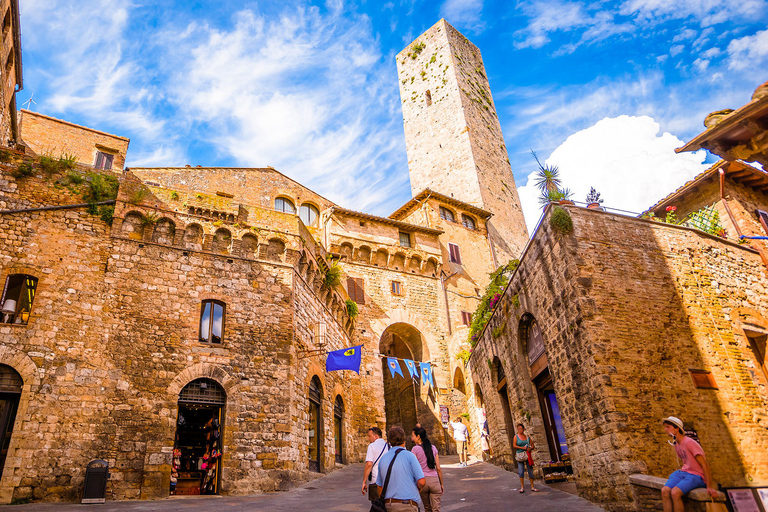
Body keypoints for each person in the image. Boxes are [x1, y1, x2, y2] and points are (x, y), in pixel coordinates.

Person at [661, 416, 718, 512]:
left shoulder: (690, 443)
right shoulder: (676, 444)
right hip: (684, 473)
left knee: (675, 493)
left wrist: (709, 486)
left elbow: (705, 464)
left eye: (668, 427)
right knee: (665, 491)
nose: (665, 430)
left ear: (677, 428)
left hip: (696, 476)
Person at [376, 426, 426, 512]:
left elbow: (379, 487)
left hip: (389, 505)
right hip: (407, 505)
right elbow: (421, 481)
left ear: (389, 441)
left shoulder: (383, 459)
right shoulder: (410, 456)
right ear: (404, 440)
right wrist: (417, 488)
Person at [411, 427, 443, 512]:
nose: (411, 438)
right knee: (436, 509)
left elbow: (413, 468)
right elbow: (438, 468)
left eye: (413, 435)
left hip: (423, 481)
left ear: (418, 437)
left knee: (427, 508)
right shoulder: (433, 448)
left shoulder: (415, 449)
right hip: (434, 481)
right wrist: (441, 484)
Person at [362, 426, 390, 501]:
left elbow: (369, 464)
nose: (368, 438)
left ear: (376, 436)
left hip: (376, 481)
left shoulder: (372, 446)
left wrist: (364, 481)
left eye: (369, 436)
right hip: (388, 482)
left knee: (377, 506)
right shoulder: (389, 446)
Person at [513, 424, 538, 493]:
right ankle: (522, 487)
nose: (520, 430)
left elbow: (533, 445)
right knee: (521, 471)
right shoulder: (516, 437)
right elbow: (514, 445)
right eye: (519, 429)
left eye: (521, 428)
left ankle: (532, 486)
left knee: (530, 471)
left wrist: (530, 448)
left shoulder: (527, 437)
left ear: (523, 429)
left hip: (527, 455)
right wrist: (522, 448)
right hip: (520, 455)